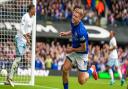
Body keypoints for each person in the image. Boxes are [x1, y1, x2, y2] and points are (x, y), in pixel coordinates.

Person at [59, 6, 98, 89]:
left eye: (76, 16)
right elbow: (73, 30)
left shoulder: (82, 31)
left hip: (82, 54)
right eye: (73, 15)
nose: (73, 17)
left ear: (80, 18)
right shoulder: (73, 21)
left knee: (81, 81)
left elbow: (83, 48)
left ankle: (92, 69)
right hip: (74, 50)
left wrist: (71, 49)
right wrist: (66, 33)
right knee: (65, 69)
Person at [5, 4, 35, 87]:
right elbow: (21, 28)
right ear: (31, 10)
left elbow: (28, 31)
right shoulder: (25, 16)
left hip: (24, 41)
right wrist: (26, 37)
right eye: (34, 9)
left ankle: (9, 77)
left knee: (18, 60)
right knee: (18, 58)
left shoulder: (32, 19)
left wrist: (28, 38)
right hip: (19, 39)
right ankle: (10, 78)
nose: (35, 10)